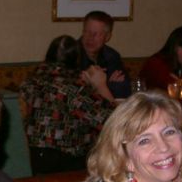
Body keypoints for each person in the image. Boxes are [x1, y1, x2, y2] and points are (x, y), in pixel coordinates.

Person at [20, 35, 116, 174]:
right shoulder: (72, 89)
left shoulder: (30, 82)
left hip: (33, 157)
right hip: (65, 161)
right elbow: (114, 122)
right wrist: (101, 86)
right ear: (77, 59)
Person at [78, 10, 131, 99]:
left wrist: (101, 86)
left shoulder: (112, 56)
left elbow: (124, 92)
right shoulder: (69, 54)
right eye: (87, 32)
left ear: (107, 37)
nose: (90, 38)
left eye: (96, 34)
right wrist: (108, 86)